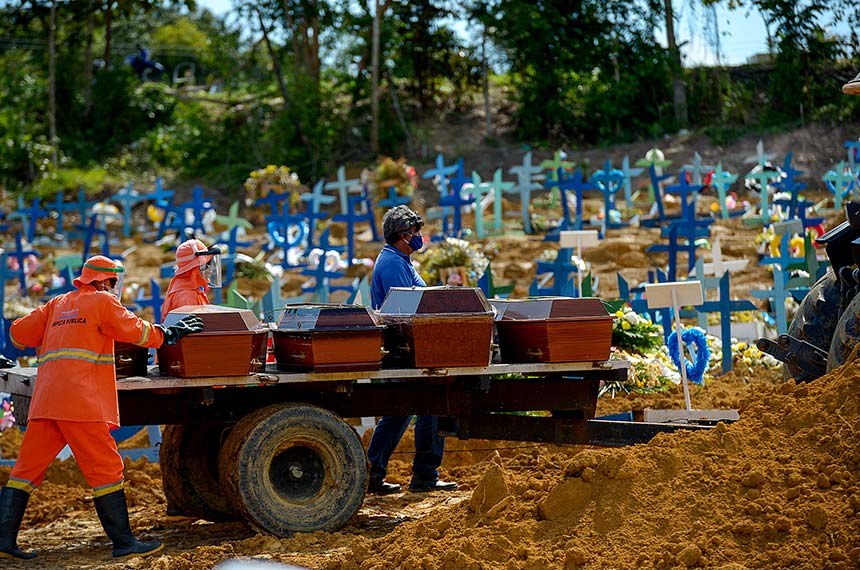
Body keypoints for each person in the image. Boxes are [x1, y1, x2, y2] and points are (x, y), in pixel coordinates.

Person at [0, 255, 204, 561]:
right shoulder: (103, 303)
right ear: (106, 281)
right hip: (81, 402)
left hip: (46, 400)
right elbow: (138, 332)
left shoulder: (57, 304)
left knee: (24, 471)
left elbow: (18, 334)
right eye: (114, 283)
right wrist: (170, 333)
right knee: (106, 469)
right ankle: (123, 542)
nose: (114, 288)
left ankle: (4, 541)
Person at [366, 205, 459, 495]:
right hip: (406, 347)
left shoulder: (400, 260)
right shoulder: (393, 264)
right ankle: (424, 476)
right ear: (402, 235)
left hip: (409, 346)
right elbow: (409, 307)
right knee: (428, 406)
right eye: (415, 232)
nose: (419, 237)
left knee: (399, 413)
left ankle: (374, 473)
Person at [162, 238, 222, 316]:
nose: (210, 271)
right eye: (204, 267)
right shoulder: (186, 297)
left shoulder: (191, 287)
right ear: (192, 270)